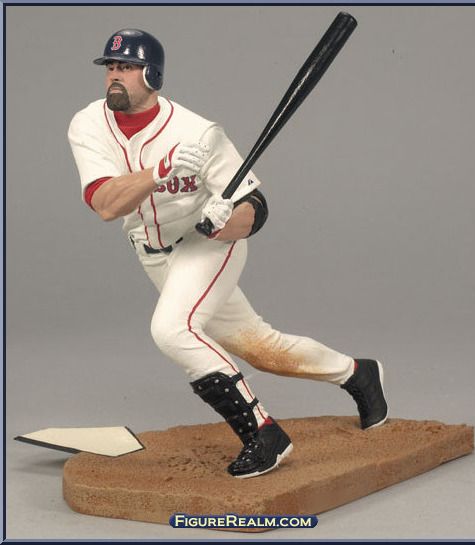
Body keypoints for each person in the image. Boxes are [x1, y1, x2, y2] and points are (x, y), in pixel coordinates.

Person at [68, 28, 388, 479]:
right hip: (153, 255)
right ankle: (356, 373)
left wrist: (224, 222)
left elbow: (256, 208)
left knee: (172, 330)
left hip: (207, 248)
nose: (114, 75)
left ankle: (264, 434)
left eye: (127, 67)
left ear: (152, 74)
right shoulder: (88, 123)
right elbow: (105, 204)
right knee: (260, 347)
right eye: (110, 67)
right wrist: (160, 171)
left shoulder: (197, 132)